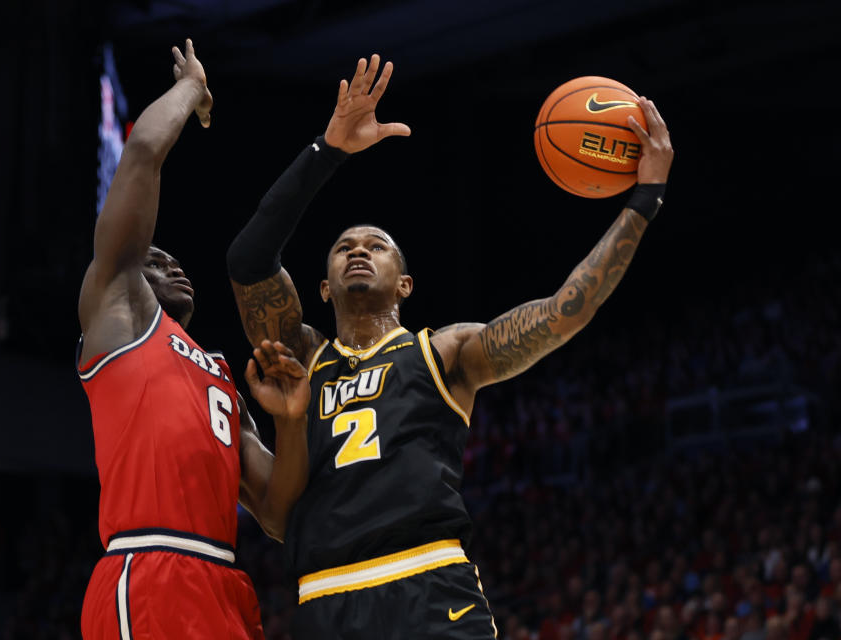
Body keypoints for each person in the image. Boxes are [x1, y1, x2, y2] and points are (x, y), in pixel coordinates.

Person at [226, 54, 674, 639]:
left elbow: (567, 310)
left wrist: (645, 199)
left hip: (430, 584)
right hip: (325, 596)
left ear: (405, 283)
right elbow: (248, 260)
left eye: (377, 246)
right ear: (322, 286)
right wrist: (328, 149)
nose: (358, 250)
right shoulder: (303, 359)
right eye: (343, 247)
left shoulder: (444, 353)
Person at [76, 40, 310, 640]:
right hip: (150, 564)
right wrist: (189, 90)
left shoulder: (222, 374)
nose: (173, 263)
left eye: (175, 258)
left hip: (225, 581)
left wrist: (288, 420)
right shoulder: (121, 313)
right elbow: (143, 158)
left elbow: (278, 516)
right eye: (155, 258)